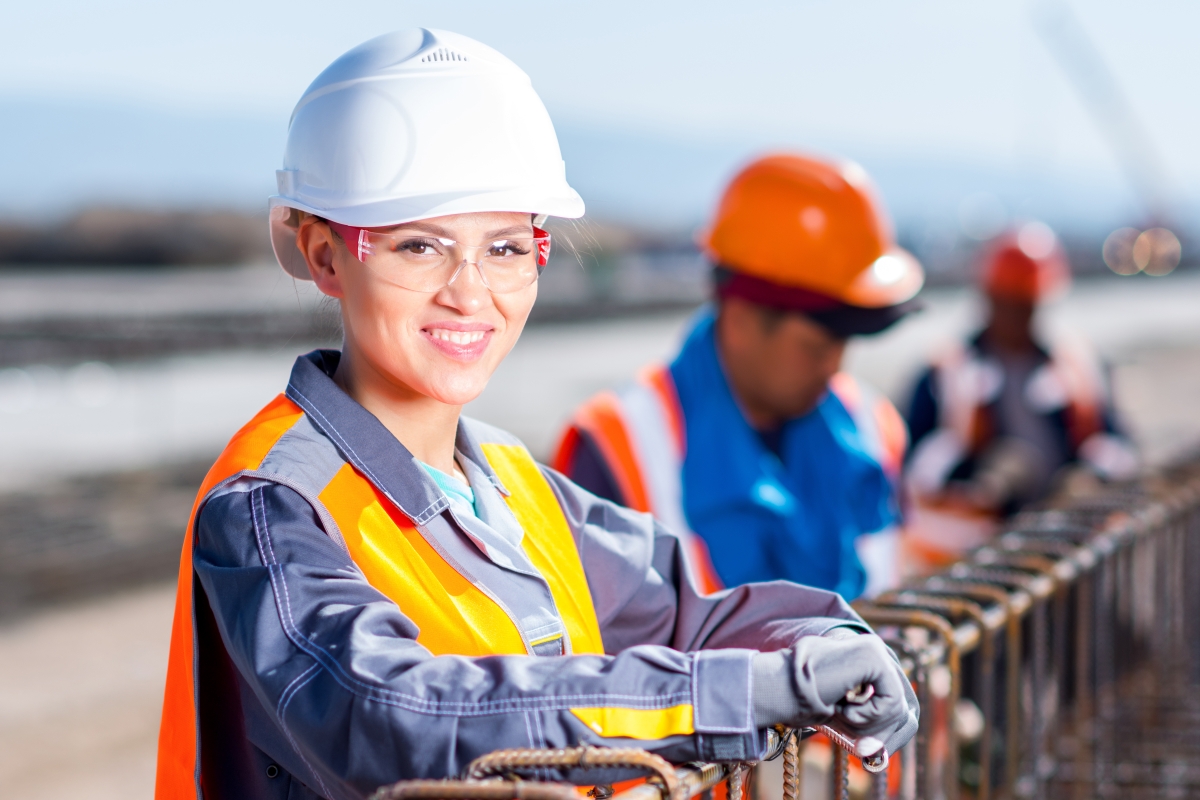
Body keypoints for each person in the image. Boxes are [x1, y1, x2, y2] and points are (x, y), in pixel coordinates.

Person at [153, 30, 917, 800]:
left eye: (508, 248)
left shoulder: (514, 487)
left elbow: (689, 613)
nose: (469, 291)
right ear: (324, 256)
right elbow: (395, 716)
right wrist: (735, 696)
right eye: (419, 246)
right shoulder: (270, 506)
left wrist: (825, 639)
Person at [553, 154, 923, 600]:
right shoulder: (614, 445)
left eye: (844, 344)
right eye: (817, 346)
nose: (834, 366)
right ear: (743, 321)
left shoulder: (872, 426)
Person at [902, 221, 1138, 569]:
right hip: (975, 560)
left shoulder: (1079, 366)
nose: (1016, 317)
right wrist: (979, 478)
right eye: (1007, 303)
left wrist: (1090, 475)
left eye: (1026, 305)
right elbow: (909, 469)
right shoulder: (945, 372)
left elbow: (1121, 446)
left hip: (1062, 549)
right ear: (987, 297)